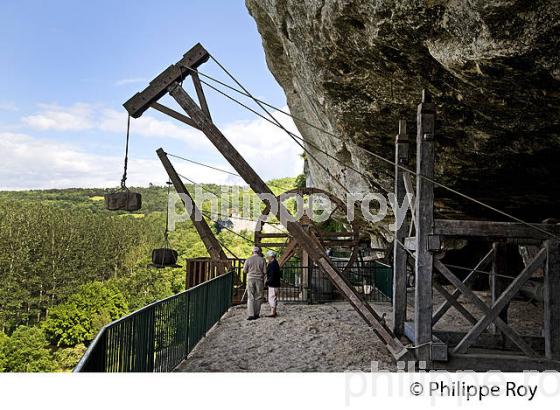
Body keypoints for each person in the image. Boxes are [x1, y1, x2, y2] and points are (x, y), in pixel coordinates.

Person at [243, 246, 267, 320]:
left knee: (250, 297)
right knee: (259, 297)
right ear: (259, 252)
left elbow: (244, 271)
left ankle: (251, 314)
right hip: (259, 279)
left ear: (252, 252)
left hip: (250, 279)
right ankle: (257, 314)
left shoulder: (248, 259)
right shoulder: (262, 260)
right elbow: (265, 271)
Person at [265, 250, 281, 318]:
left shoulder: (272, 264)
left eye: (268, 257)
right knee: (273, 298)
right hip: (275, 283)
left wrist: (268, 282)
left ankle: (272, 312)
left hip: (273, 284)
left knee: (271, 298)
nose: (267, 258)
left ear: (271, 257)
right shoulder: (275, 263)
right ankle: (274, 311)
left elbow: (272, 275)